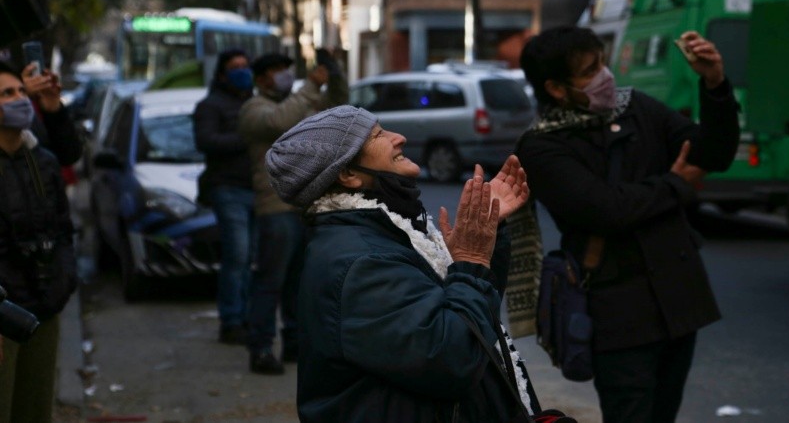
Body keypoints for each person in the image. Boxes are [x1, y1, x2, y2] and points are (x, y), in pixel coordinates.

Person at [515, 26, 740, 422]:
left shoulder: (636, 108)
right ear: (556, 88)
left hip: (678, 300)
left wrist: (714, 82)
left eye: (602, 61)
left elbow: (713, 154)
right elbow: (607, 210)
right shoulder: (541, 147)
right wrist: (676, 183)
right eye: (589, 70)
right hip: (618, 314)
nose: (606, 76)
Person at [265, 105, 541, 422]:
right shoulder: (361, 261)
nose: (400, 137)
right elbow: (453, 358)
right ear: (348, 175)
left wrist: (475, 249)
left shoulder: (384, 235)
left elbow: (473, 319)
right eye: (379, 135)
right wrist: (469, 261)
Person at [238, 50, 348, 374]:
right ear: (260, 79)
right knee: (269, 281)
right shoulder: (254, 109)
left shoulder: (302, 102)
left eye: (287, 69)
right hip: (274, 208)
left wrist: (335, 75)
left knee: (299, 283)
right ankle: (260, 347)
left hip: (304, 206)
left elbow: (339, 110)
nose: (284, 75)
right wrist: (312, 85)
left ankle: (294, 344)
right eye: (276, 70)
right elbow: (280, 120)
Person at [0, 61, 78, 422]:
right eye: (7, 94)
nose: (19, 101)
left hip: (43, 303)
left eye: (20, 92)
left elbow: (62, 228)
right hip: (5, 311)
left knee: (34, 407)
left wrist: (61, 282)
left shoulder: (40, 160)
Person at [192, 49, 256, 345]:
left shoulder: (254, 103)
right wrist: (246, 137)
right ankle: (231, 320)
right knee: (237, 255)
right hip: (228, 188)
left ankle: (246, 316)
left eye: (245, 66)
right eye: (235, 67)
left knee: (251, 258)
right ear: (222, 73)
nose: (242, 71)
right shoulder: (210, 105)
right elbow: (206, 141)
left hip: (257, 189)